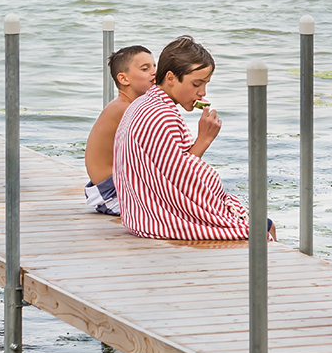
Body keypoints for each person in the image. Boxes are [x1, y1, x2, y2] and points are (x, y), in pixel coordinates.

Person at [113, 35, 265, 241]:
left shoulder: (143, 104)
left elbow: (171, 173)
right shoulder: (162, 115)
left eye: (205, 84)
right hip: (158, 219)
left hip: (139, 214)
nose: (202, 93)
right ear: (171, 78)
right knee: (262, 228)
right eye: (196, 84)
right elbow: (182, 180)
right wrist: (204, 139)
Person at [83, 45, 156, 214]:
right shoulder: (123, 109)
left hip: (118, 188)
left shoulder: (129, 106)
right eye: (145, 69)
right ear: (123, 79)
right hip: (111, 194)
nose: (154, 72)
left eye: (154, 66)